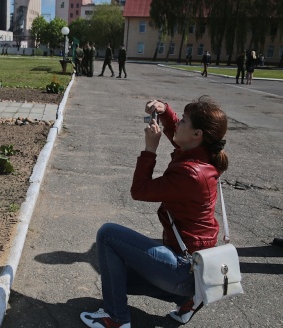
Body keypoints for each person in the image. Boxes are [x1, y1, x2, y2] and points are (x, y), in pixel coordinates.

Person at [80, 96, 229, 328]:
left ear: (197, 134)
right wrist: (165, 111)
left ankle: (116, 318)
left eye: (183, 121)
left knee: (108, 234)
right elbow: (181, 140)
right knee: (117, 277)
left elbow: (139, 191)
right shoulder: (205, 156)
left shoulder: (190, 174)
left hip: (183, 268)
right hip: (198, 270)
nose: (178, 123)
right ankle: (187, 299)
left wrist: (150, 148)